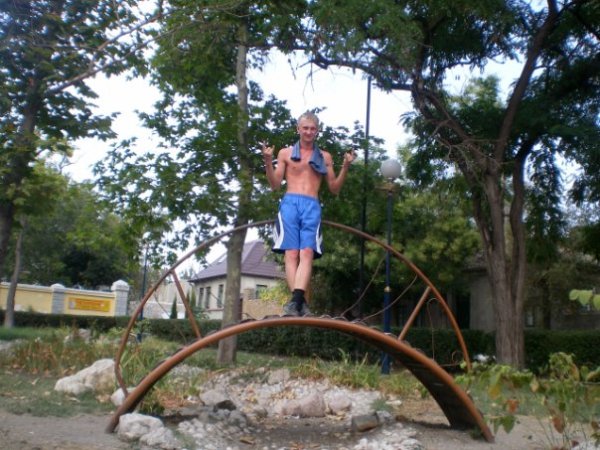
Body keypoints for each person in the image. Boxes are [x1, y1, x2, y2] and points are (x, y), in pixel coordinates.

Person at [262, 111, 356, 316]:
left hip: (311, 204)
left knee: (306, 252)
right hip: (290, 203)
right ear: (298, 129)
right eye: (305, 128)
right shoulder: (285, 153)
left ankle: (295, 302)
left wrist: (346, 166)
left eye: (312, 129)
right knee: (291, 253)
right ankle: (299, 302)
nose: (308, 132)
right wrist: (268, 161)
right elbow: (275, 184)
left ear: (317, 131)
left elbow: (334, 188)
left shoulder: (324, 156)